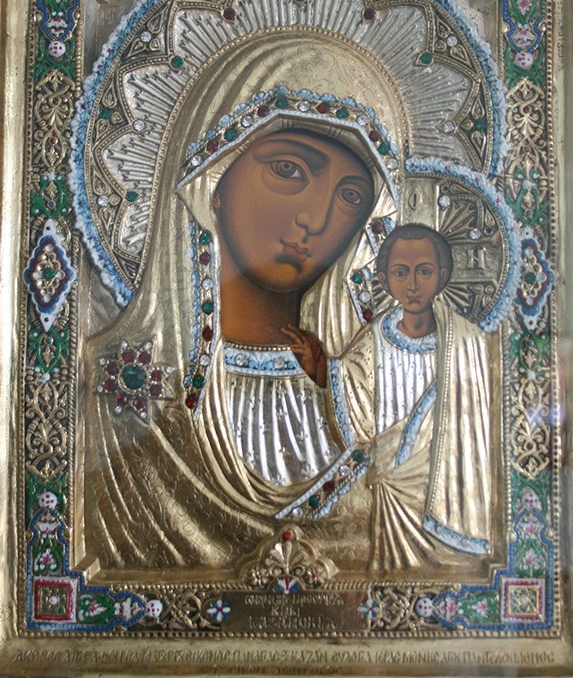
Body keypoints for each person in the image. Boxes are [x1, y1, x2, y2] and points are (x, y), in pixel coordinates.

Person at [80, 31, 402, 572]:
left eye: (350, 197)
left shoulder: (377, 397)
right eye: (288, 170)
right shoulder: (121, 390)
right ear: (213, 178)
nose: (316, 219)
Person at [289, 223, 498, 570]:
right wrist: (321, 370)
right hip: (391, 488)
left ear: (443, 276)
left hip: (444, 488)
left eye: (424, 271)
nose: (413, 284)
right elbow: (354, 394)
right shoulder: (374, 339)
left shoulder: (467, 343)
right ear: (385, 281)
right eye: (401, 273)